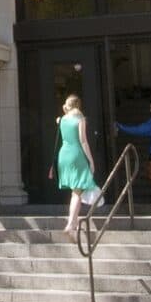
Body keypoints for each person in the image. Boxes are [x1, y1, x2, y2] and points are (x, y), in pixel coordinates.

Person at [52, 93, 103, 232]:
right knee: (77, 192)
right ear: (78, 106)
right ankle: (71, 223)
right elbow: (83, 141)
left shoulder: (62, 119)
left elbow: (60, 119)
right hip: (76, 154)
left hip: (64, 155)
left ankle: (73, 222)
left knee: (75, 191)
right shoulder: (80, 119)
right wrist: (91, 161)